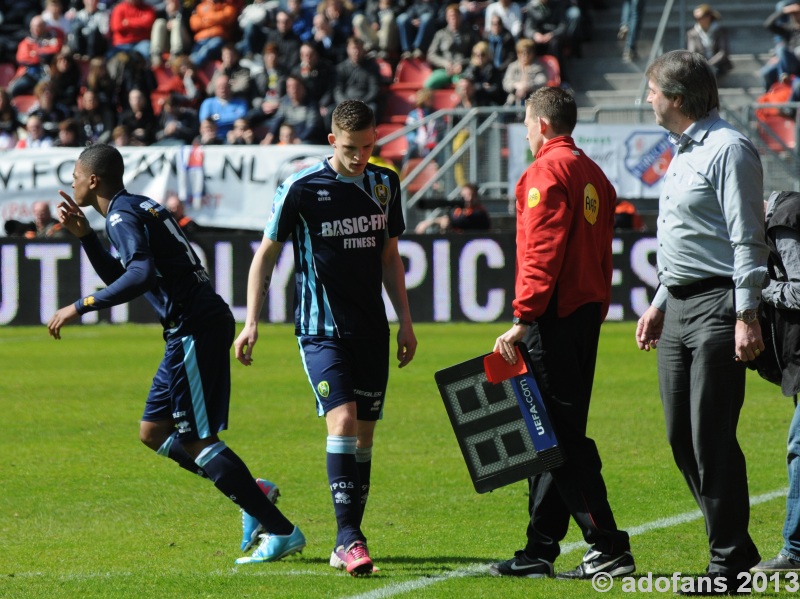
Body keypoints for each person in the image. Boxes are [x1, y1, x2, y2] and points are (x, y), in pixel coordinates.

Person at [46, 143, 305, 566]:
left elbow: (139, 275)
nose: (71, 183)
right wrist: (86, 238)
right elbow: (131, 274)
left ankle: (280, 530)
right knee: (153, 431)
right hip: (188, 326)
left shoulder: (120, 214)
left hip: (193, 326)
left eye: (75, 175)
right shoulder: (134, 207)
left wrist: (80, 305)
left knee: (198, 438)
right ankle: (252, 490)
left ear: (93, 180)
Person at [233, 99, 417, 576]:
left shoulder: (385, 183)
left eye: (368, 147)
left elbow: (390, 258)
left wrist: (407, 321)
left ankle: (346, 541)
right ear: (333, 141)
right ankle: (350, 537)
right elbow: (266, 256)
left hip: (372, 330)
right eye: (352, 148)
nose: (360, 158)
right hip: (321, 331)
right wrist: (251, 320)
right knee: (344, 424)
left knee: (365, 438)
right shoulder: (300, 187)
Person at [489, 85, 634, 581]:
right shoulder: (593, 173)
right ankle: (539, 550)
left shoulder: (546, 172)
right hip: (583, 316)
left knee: (561, 437)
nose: (527, 133)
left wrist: (523, 317)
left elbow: (540, 251)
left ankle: (608, 544)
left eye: (528, 124)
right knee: (547, 436)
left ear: (542, 125)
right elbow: (599, 255)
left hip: (553, 318)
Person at [635, 50, 767, 592]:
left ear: (678, 99)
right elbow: (686, 242)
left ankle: (729, 562)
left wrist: (747, 313)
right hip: (680, 304)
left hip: (719, 306)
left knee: (710, 436)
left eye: (652, 91)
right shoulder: (682, 150)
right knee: (679, 438)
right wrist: (660, 301)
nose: (647, 100)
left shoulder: (728, 149)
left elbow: (745, 239)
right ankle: (734, 550)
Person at [751, 190, 800, 574]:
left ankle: (796, 551)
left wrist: (759, 289)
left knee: (799, 447)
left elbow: (799, 291)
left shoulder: (783, 220)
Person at [414, 182, 490, 233]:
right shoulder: (458, 210)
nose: (468, 199)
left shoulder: (480, 212)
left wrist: (433, 222)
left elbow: (462, 221)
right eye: (464, 196)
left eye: (471, 195)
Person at [686, 4, 732, 79]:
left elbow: (723, 52)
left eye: (700, 17)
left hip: (718, 65)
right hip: (701, 65)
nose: (698, 20)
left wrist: (709, 64)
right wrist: (703, 64)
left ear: (708, 17)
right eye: (696, 18)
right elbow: (692, 52)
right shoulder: (692, 33)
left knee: (712, 73)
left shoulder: (720, 31)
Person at [761, 1, 800, 90]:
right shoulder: (790, 30)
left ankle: (785, 76)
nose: (796, 16)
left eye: (797, 13)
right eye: (793, 14)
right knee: (766, 73)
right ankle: (770, 99)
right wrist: (783, 11)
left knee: (781, 49)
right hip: (789, 62)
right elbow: (768, 25)